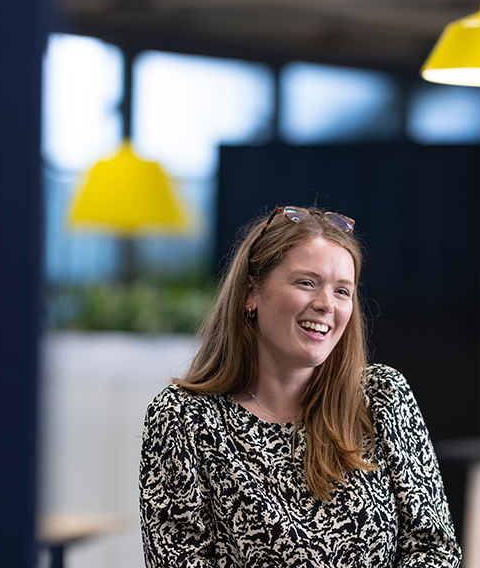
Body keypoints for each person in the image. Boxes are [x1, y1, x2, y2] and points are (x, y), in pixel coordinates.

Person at [139, 206, 462, 567]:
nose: (327, 304)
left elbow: (434, 548)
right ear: (251, 292)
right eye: (307, 282)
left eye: (343, 291)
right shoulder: (184, 418)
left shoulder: (382, 395)